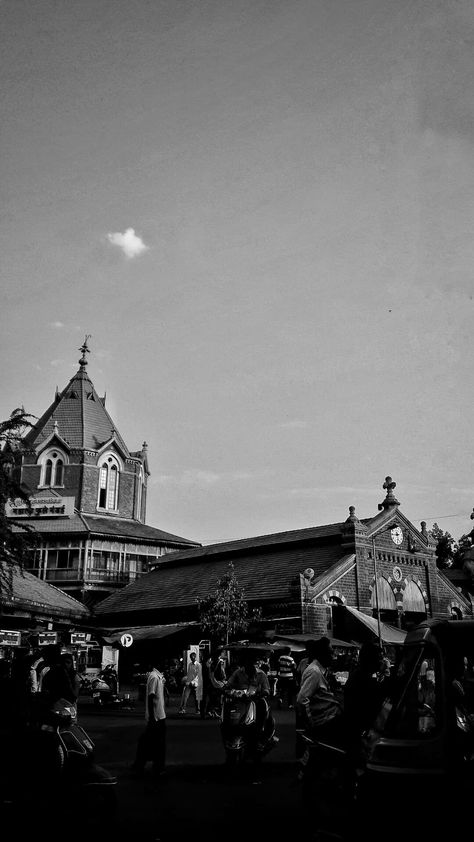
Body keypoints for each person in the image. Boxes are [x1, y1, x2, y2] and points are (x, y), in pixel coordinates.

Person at [296, 637, 345, 746]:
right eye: (331, 653)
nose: (333, 657)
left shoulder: (321, 670)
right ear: (323, 654)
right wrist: (310, 721)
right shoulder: (314, 672)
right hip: (325, 721)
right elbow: (301, 699)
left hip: (330, 716)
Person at [343, 642, 388, 750]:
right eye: (379, 658)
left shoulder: (363, 676)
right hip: (359, 733)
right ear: (371, 660)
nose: (382, 661)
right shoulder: (361, 679)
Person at [131, 657, 167, 779]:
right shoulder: (153, 677)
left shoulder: (158, 676)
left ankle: (141, 764)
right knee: (156, 744)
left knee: (150, 742)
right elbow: (151, 697)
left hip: (159, 716)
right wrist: (152, 718)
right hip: (156, 717)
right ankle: (155, 767)